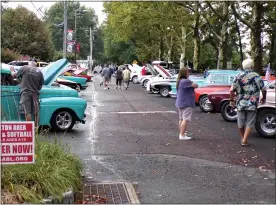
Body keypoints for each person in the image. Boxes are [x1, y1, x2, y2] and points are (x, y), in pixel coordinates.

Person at [230, 58, 266, 146]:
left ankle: (242, 138)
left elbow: (231, 90)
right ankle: (245, 140)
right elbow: (264, 89)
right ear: (252, 66)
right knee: (250, 122)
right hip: (252, 103)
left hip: (240, 103)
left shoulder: (238, 76)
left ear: (243, 66)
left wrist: (231, 100)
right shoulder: (257, 76)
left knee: (240, 122)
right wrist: (263, 98)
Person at [11, 59, 44, 128]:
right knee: (36, 112)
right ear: (36, 64)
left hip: (25, 93)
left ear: (29, 63)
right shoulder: (40, 72)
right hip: (35, 93)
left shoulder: (24, 67)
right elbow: (41, 85)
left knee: (27, 111)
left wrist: (12, 70)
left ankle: (29, 128)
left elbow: (14, 76)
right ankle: (35, 128)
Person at [175, 67, 198, 140]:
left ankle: (181, 133)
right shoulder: (186, 81)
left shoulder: (179, 81)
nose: (189, 73)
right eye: (188, 72)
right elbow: (196, 85)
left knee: (181, 119)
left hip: (180, 102)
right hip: (186, 103)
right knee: (185, 119)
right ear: (184, 73)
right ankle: (182, 135)